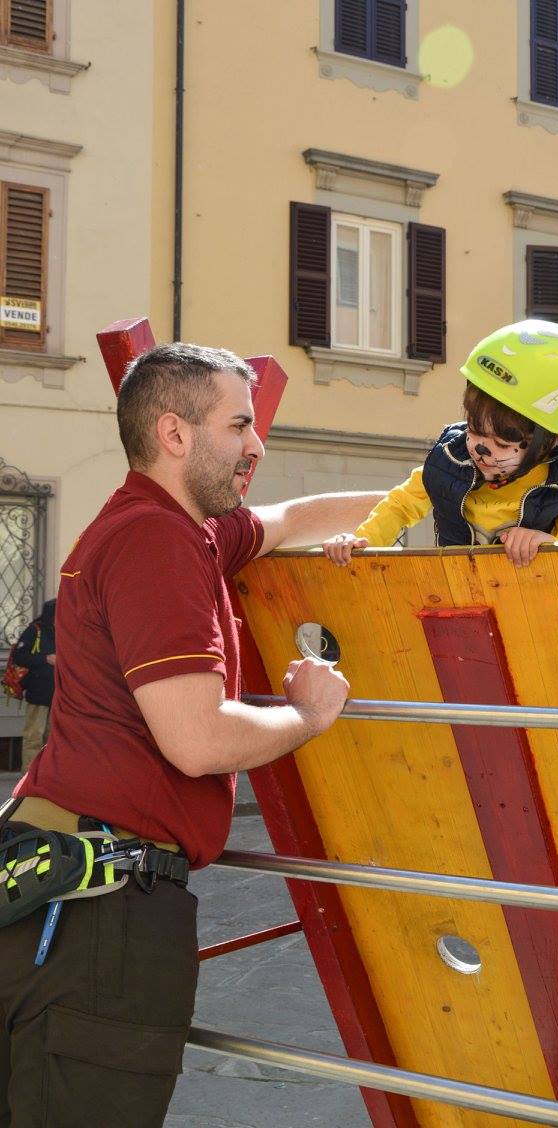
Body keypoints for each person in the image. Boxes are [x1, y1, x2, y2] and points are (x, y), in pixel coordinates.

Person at [0, 343, 385, 1127]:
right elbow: (198, 739)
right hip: (99, 915)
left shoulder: (182, 531)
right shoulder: (156, 542)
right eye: (238, 424)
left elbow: (289, 521)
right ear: (174, 434)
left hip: (67, 892)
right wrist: (308, 714)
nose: (256, 444)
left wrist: (438, 501)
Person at [323, 320, 558, 568]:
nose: (481, 449)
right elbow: (401, 504)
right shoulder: (450, 456)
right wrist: (361, 540)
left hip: (525, 602)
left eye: (501, 443)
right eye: (474, 430)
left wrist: (546, 543)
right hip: (458, 592)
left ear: (545, 445)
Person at [13, 598, 56, 771]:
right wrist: (44, 659)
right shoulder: (35, 630)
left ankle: (46, 776)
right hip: (38, 694)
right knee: (33, 737)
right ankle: (29, 776)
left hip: (57, 696)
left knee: (52, 739)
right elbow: (19, 656)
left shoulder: (64, 631)